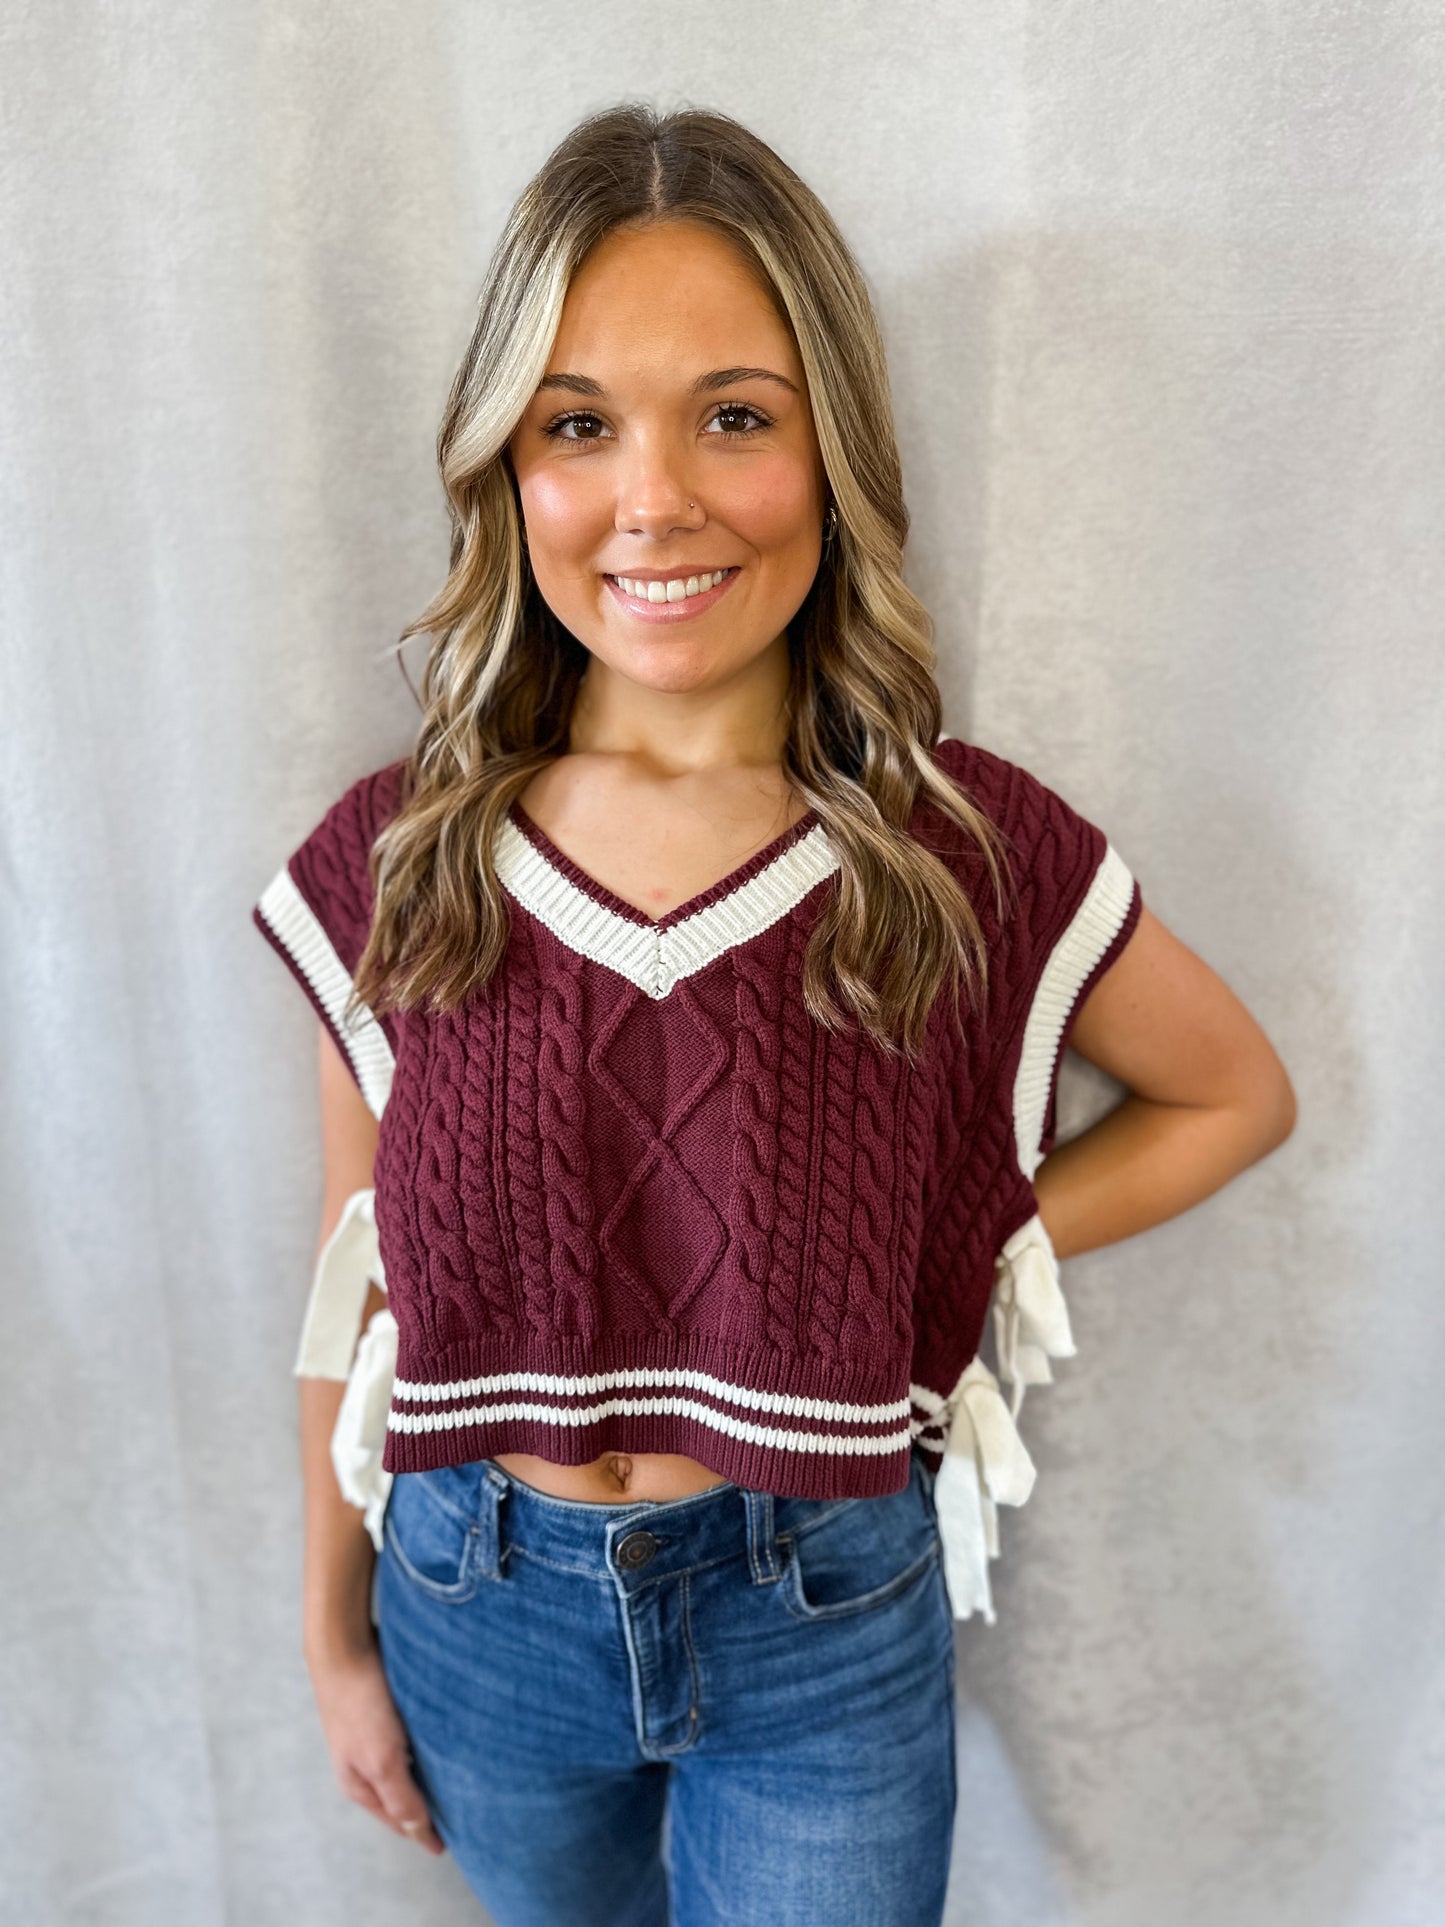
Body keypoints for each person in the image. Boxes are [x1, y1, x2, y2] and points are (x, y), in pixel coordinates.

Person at [252, 103, 1296, 1927]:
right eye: (579, 425)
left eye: (733, 414)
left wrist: (954, 1226)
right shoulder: (400, 861)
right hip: (474, 1603)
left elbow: (1229, 1098)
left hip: (821, 1616)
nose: (653, 498)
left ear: (831, 454)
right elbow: (355, 1275)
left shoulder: (961, 854)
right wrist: (332, 1637)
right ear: (510, 469)